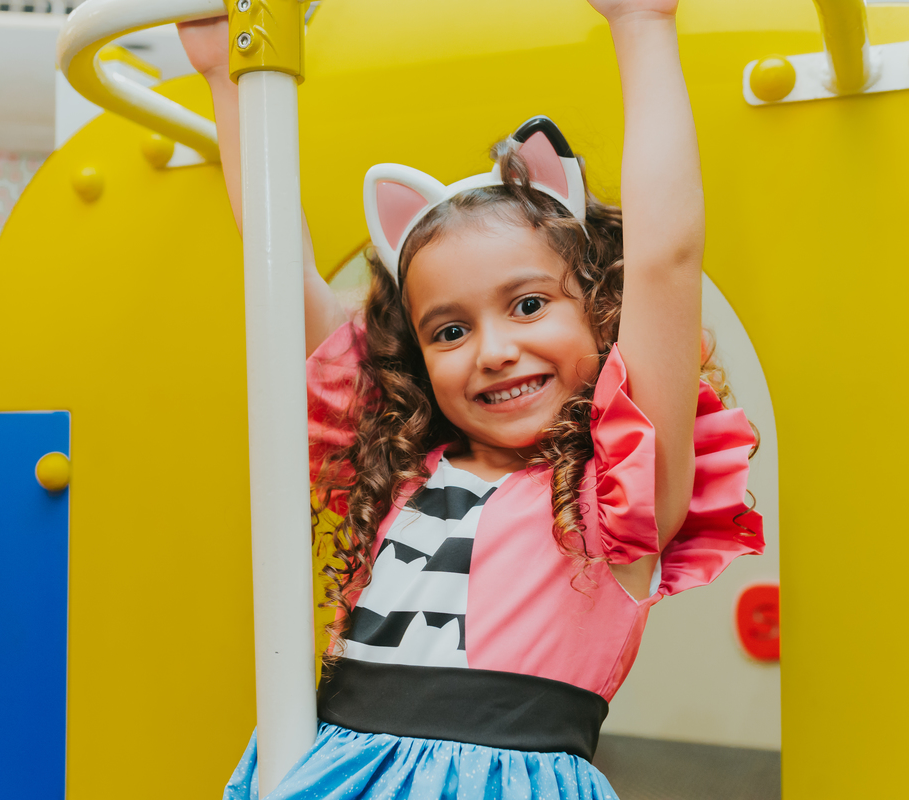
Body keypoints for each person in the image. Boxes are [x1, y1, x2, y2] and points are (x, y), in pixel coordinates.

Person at [180, 0, 763, 796]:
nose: (492, 351)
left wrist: (642, 25)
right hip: (334, 774)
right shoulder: (400, 470)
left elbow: (667, 258)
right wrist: (227, 73)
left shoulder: (613, 496)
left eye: (529, 305)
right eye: (449, 331)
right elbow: (278, 270)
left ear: (602, 311)